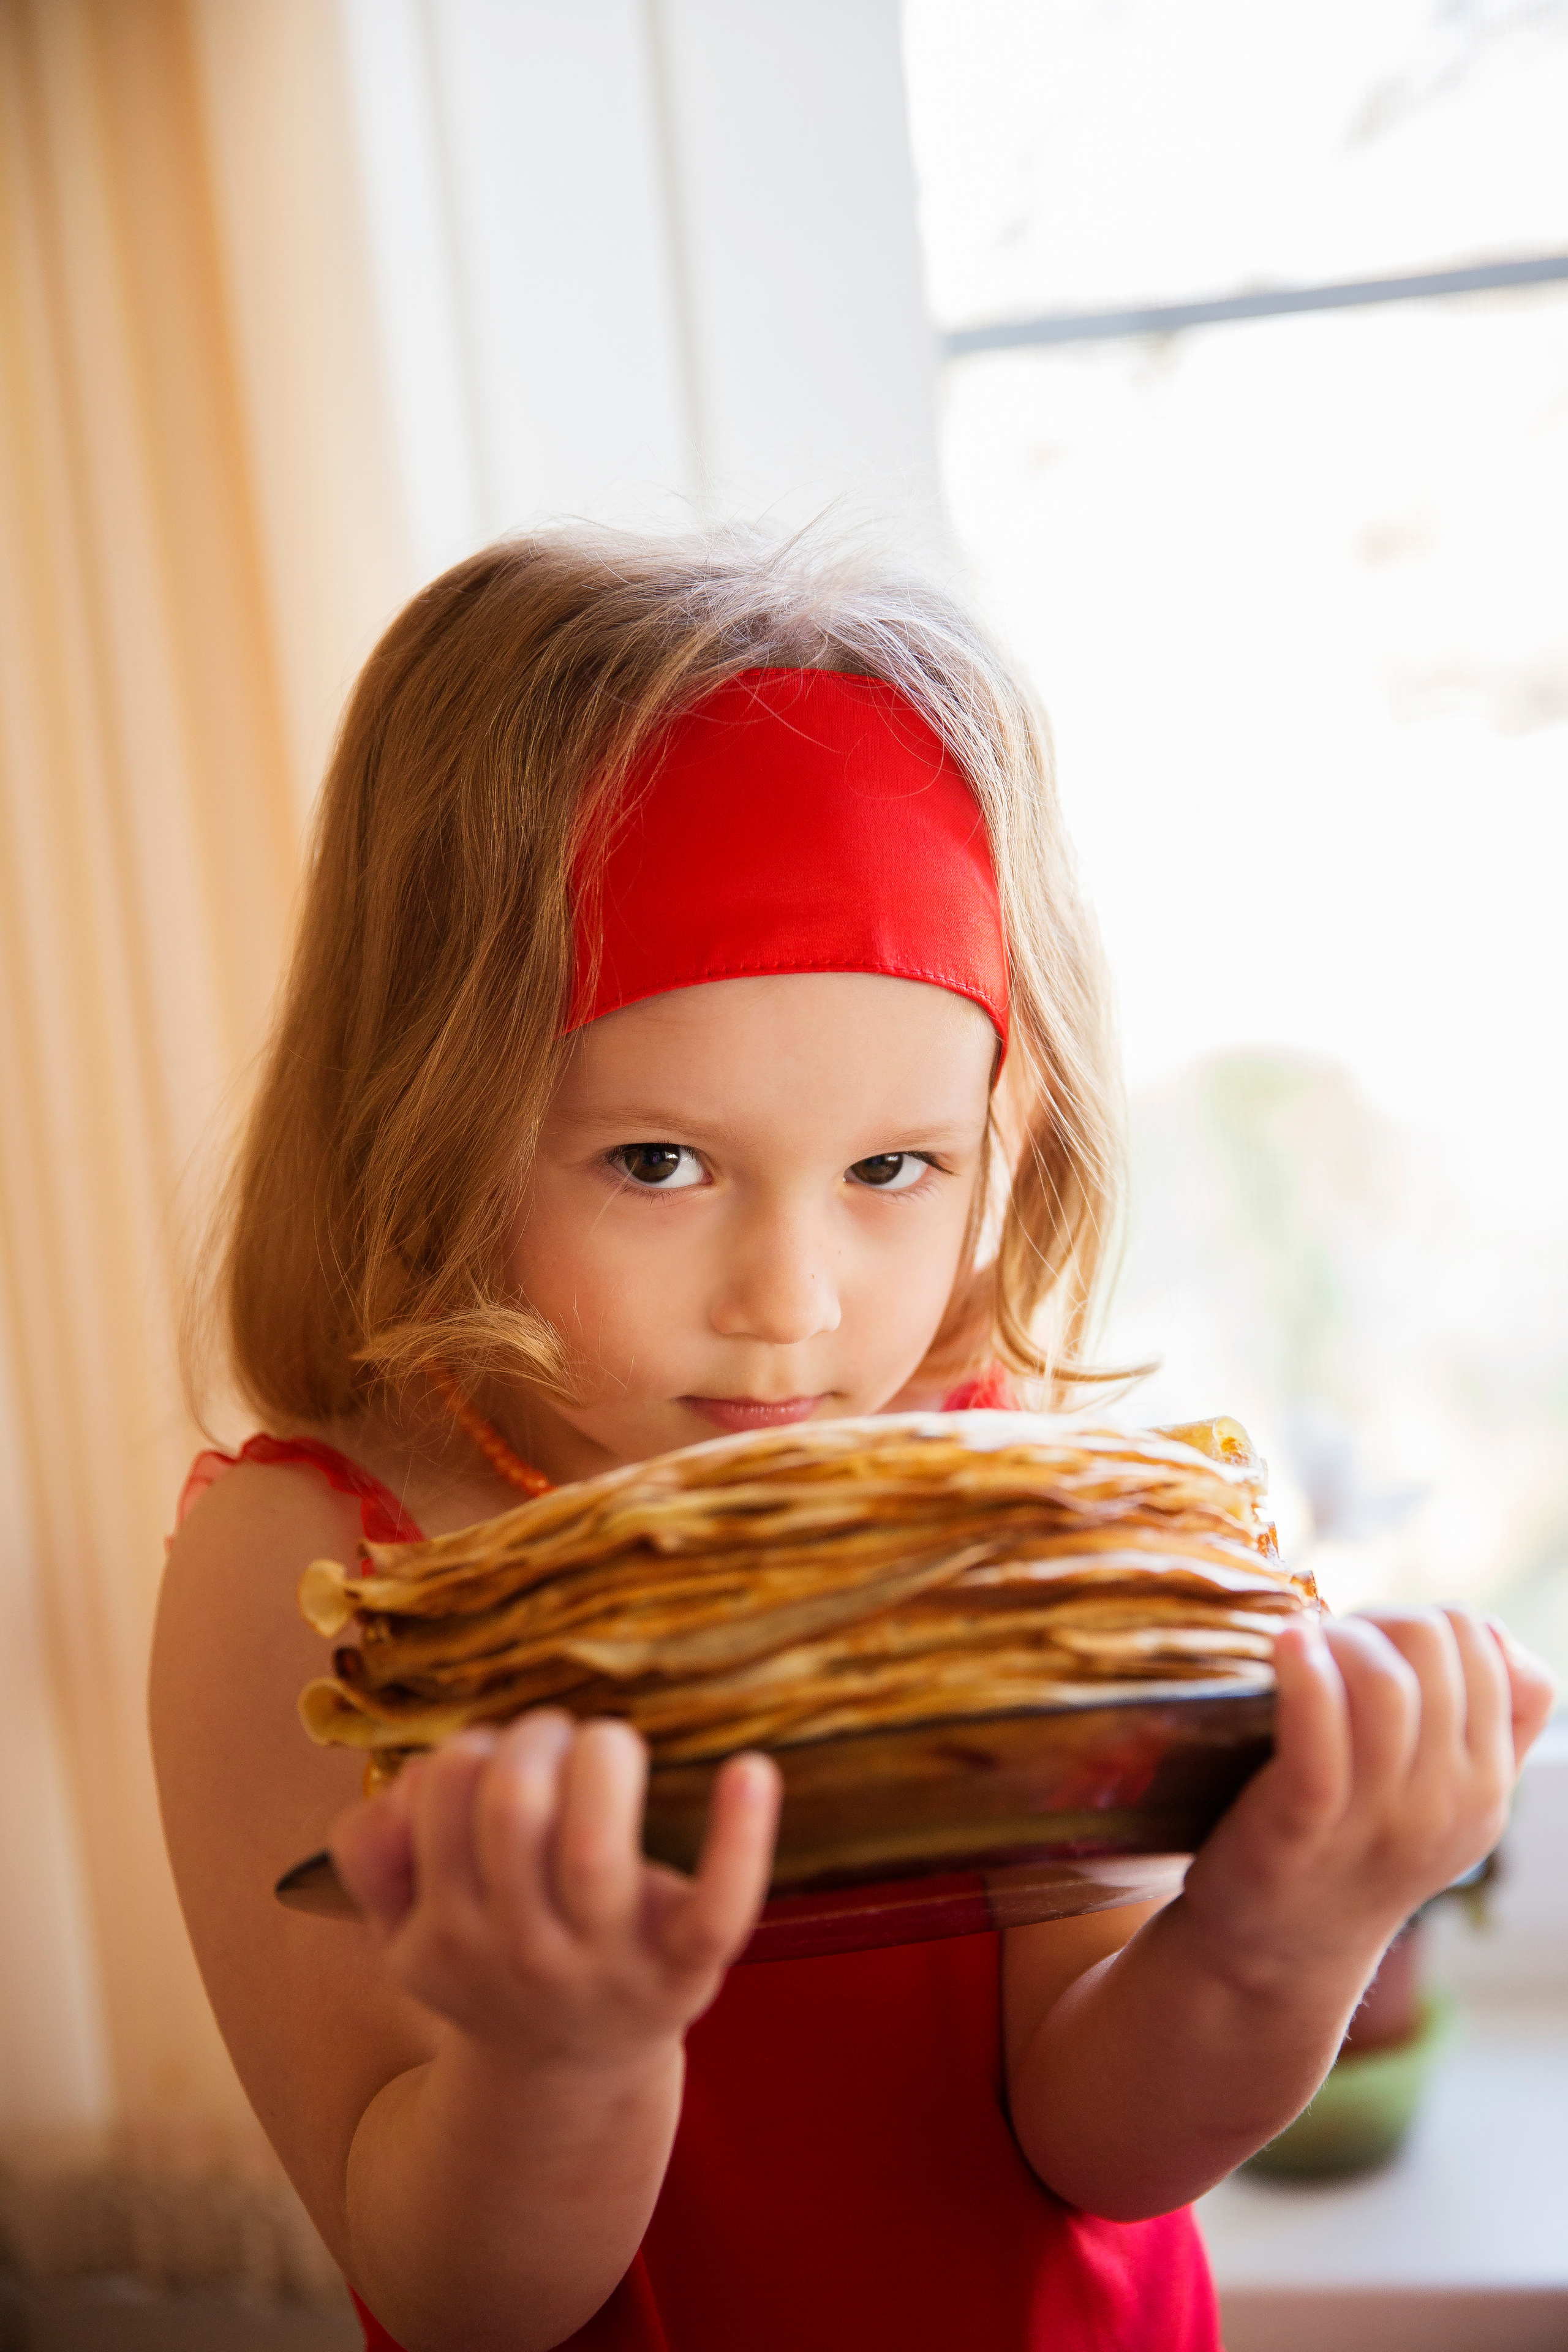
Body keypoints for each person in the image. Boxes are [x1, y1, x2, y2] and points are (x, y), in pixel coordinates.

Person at [151, 528, 1555, 2352]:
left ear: (1009, 1136)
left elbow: (1101, 2140)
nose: (792, 1304)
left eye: (895, 1168)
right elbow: (457, 2299)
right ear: (425, 1121)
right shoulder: (321, 1581)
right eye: (659, 1161)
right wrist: (560, 2058)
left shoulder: (993, 1508)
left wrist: (1291, 1927)